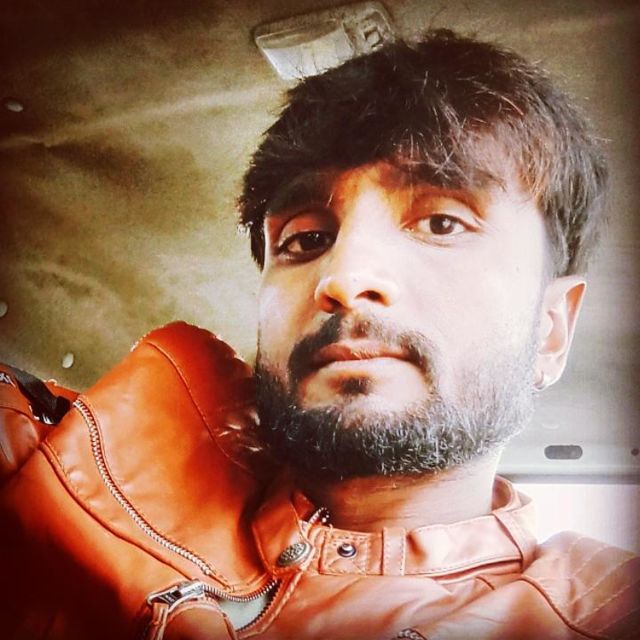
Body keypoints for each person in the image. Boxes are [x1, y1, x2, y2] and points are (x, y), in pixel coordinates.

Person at [0, 29, 638, 640]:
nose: (345, 276)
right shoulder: (66, 471)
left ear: (550, 330)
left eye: (442, 224)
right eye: (306, 239)